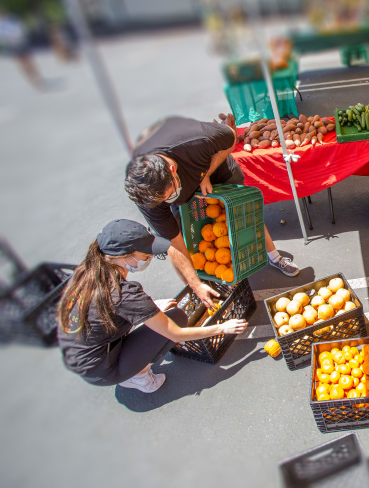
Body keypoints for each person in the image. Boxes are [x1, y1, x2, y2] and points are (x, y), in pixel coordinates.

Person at [124, 114, 300, 310]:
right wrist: (195, 284)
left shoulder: (194, 140)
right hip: (177, 185)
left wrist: (206, 174)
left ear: (173, 170)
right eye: (161, 201)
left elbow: (230, 138)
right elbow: (174, 243)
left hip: (217, 173)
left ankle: (275, 257)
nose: (167, 201)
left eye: (168, 195)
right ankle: (194, 291)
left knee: (243, 215)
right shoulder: (146, 193)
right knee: (180, 236)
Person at [58, 220, 248, 393]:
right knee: (177, 318)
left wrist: (150, 309)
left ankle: (131, 357)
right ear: (125, 257)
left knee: (142, 295)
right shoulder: (123, 295)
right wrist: (222, 328)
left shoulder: (90, 269)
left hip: (79, 349)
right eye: (145, 252)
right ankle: (136, 376)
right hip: (101, 368)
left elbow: (107, 308)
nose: (150, 255)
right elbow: (175, 333)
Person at [0, 11, 42, 88]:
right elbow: (2, 37)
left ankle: (37, 76)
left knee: (28, 60)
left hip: (20, 42)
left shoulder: (12, 19)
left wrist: (20, 36)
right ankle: (32, 79)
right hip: (12, 45)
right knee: (22, 63)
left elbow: (21, 27)